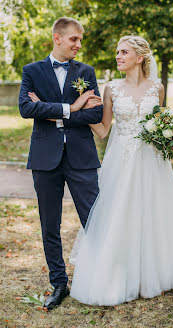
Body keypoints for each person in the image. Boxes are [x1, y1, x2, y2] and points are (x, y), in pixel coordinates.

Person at [69, 35, 173, 306]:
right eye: (117, 52)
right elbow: (103, 131)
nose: (118, 56)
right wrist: (82, 113)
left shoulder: (156, 88)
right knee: (119, 212)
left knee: (151, 213)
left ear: (140, 57)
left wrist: (172, 132)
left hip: (152, 160)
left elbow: (160, 124)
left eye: (124, 52)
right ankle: (117, 274)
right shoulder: (111, 88)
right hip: (121, 160)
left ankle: (150, 274)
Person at [19, 17, 103, 310]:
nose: (79, 46)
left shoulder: (86, 72)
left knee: (95, 218)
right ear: (57, 38)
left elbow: (95, 115)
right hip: (45, 159)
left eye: (80, 41)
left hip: (81, 157)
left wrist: (54, 112)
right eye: (74, 40)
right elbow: (26, 108)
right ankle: (59, 283)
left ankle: (103, 277)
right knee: (49, 225)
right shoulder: (31, 71)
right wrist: (72, 106)